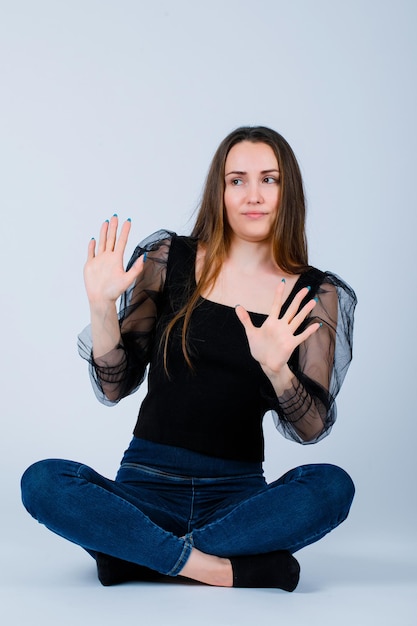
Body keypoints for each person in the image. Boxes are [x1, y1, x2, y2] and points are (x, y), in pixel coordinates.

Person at [21, 126, 357, 591]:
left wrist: (278, 371)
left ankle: (135, 556)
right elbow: (116, 386)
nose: (253, 195)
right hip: (145, 486)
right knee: (42, 481)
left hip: (236, 498)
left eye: (269, 180)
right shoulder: (168, 259)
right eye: (236, 180)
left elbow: (311, 426)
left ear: (288, 191)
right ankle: (220, 568)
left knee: (332, 487)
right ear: (219, 192)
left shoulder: (313, 294)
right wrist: (101, 308)